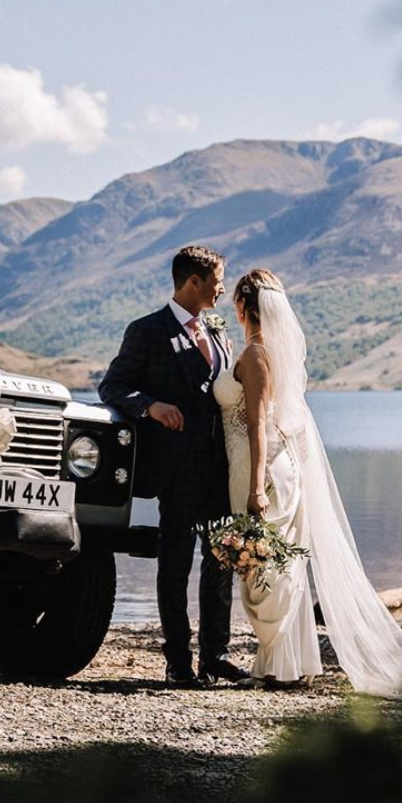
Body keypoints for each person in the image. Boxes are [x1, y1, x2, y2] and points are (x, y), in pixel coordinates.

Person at [214, 268, 402, 697]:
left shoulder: (256, 356)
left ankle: (279, 668)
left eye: (236, 302)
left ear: (245, 307)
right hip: (272, 466)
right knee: (277, 567)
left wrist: (255, 488)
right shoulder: (263, 352)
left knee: (267, 568)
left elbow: (259, 424)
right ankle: (286, 664)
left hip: (260, 470)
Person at [99, 245, 247, 688]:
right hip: (175, 472)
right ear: (193, 282)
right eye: (217, 279)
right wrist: (151, 406)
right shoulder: (147, 331)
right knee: (175, 566)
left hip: (219, 470)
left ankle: (215, 656)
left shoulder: (218, 333)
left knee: (221, 561)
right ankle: (178, 661)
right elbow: (113, 386)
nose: (223, 288)